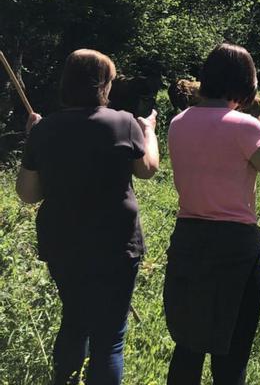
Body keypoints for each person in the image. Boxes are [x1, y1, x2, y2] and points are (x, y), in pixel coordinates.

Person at [16, 49, 160, 385]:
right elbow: (148, 169)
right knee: (109, 338)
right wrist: (149, 130)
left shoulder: (45, 129)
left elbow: (28, 194)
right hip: (116, 243)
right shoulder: (124, 123)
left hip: (63, 243)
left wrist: (33, 138)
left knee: (75, 320)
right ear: (103, 85)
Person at [163, 43, 260, 385]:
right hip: (235, 246)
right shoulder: (247, 128)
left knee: (188, 346)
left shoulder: (177, 123)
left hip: (188, 238)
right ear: (245, 83)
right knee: (232, 352)